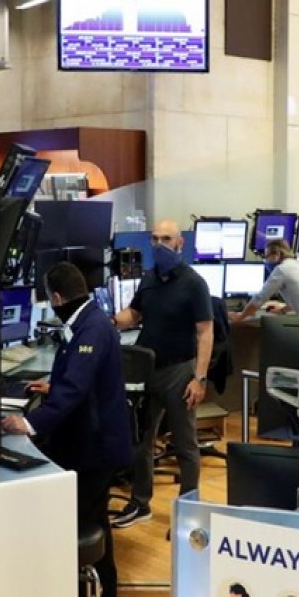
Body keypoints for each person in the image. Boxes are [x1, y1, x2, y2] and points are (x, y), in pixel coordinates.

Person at [2, 261, 132, 597]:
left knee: (80, 517)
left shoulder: (90, 328)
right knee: (95, 515)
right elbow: (79, 379)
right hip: (96, 435)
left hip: (96, 444)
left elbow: (76, 389)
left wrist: (28, 422)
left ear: (57, 298)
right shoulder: (89, 319)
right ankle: (106, 587)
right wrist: (53, 386)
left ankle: (81, 585)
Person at [110, 218, 214, 528]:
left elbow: (205, 333)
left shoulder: (194, 283)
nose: (160, 245)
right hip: (147, 370)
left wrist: (200, 378)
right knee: (142, 442)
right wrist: (109, 321)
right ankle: (141, 504)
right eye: (155, 239)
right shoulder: (149, 278)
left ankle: (188, 512)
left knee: (184, 444)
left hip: (180, 372)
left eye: (166, 239)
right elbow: (135, 313)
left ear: (180, 243)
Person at [228, 238, 299, 324]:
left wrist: (240, 317)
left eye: (266, 257)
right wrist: (282, 310)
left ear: (276, 255)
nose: (266, 261)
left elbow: (259, 299)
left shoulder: (282, 269)